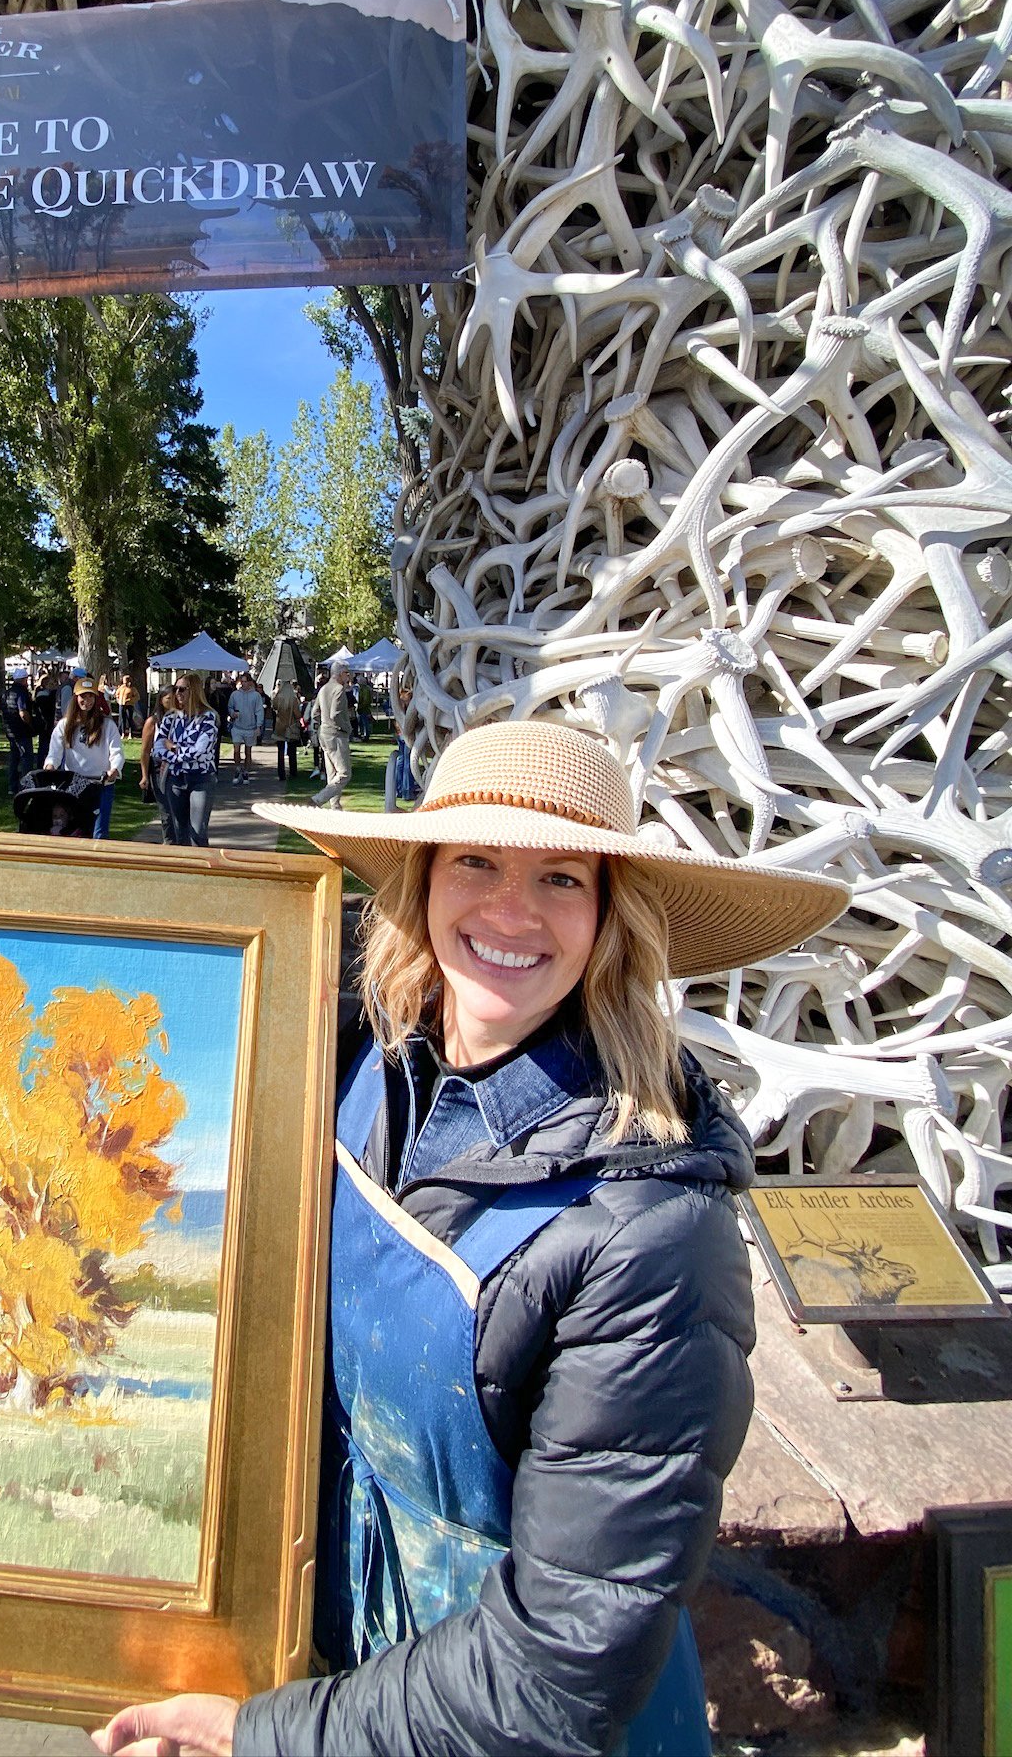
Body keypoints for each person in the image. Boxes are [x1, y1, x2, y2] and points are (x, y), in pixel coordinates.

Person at [95, 718, 849, 1757]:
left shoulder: (650, 1233)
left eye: (561, 878)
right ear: (422, 881)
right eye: (477, 860)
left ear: (611, 916)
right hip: (352, 1673)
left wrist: (265, 1735)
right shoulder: (355, 1066)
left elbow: (561, 1670)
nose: (510, 909)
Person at [45, 679, 124, 840]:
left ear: (96, 699)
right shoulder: (64, 725)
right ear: (75, 698)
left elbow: (116, 752)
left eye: (90, 697)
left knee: (99, 832)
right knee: (75, 829)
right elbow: (54, 752)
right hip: (74, 786)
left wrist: (114, 769)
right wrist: (50, 765)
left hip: (101, 784)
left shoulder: (107, 725)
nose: (86, 701)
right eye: (83, 696)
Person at [153, 673, 221, 848]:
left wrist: (174, 748)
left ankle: (201, 869)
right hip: (176, 779)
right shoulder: (171, 718)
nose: (177, 693)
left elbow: (200, 750)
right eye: (175, 689)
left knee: (197, 832)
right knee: (179, 831)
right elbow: (158, 749)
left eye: (182, 689)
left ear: (194, 691)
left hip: (201, 778)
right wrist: (176, 755)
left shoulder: (208, 717)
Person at [310, 655, 353, 808]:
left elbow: (315, 712)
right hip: (336, 734)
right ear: (339, 673)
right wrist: (347, 728)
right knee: (344, 774)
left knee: (332, 774)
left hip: (324, 734)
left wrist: (317, 727)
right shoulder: (339, 690)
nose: (348, 676)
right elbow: (335, 714)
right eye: (346, 673)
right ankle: (318, 799)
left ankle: (335, 807)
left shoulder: (323, 689)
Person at [140, 686, 178, 844]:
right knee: (166, 811)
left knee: (180, 809)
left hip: (179, 767)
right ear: (161, 701)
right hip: (159, 769)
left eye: (174, 699)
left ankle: (182, 843)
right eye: (168, 699)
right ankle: (169, 843)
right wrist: (144, 775)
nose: (172, 702)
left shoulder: (183, 719)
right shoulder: (153, 722)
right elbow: (145, 751)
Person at [227, 674, 266, 784]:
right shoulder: (235, 694)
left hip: (250, 727)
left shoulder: (256, 696)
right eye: (242, 681)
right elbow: (230, 706)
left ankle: (246, 771)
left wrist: (259, 726)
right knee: (236, 750)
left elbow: (259, 711)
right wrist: (232, 713)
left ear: (249, 682)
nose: (243, 684)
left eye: (245, 681)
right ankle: (237, 769)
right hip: (237, 727)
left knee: (248, 752)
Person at [3, 676, 36, 795]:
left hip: (10, 730)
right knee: (27, 759)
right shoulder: (21, 692)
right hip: (22, 731)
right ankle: (25, 786)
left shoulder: (7, 693)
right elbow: (23, 713)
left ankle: (12, 787)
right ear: (23, 680)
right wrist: (30, 724)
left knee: (14, 759)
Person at [271, 675, 303, 782]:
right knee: (292, 751)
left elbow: (274, 708)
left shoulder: (277, 698)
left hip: (280, 725)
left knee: (280, 752)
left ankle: (281, 774)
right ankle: (293, 771)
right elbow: (297, 714)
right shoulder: (293, 699)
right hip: (291, 725)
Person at [117, 673, 138, 739]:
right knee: (122, 719)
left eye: (126, 681)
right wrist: (118, 700)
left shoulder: (132, 689)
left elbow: (137, 697)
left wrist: (131, 701)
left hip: (129, 705)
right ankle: (123, 733)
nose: (124, 683)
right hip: (121, 704)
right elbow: (117, 694)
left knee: (130, 719)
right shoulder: (121, 688)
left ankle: (130, 733)